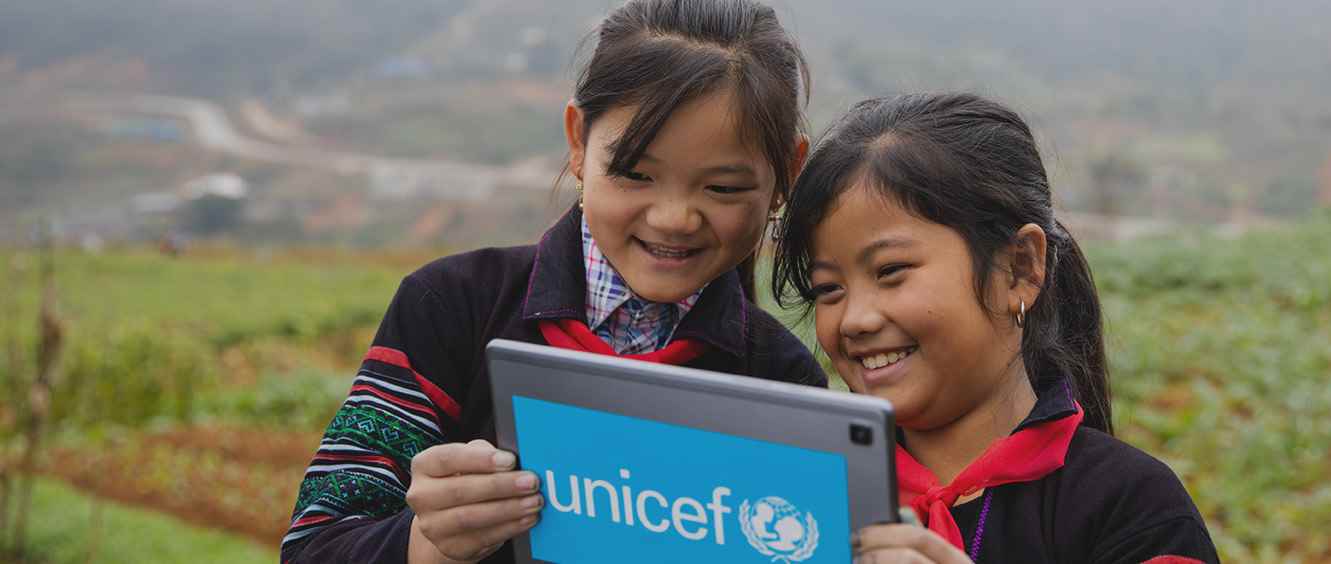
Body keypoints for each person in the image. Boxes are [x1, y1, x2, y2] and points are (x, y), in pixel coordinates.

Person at [280, 1, 822, 562]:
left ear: (787, 174)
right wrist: (427, 543)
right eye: (636, 173)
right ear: (579, 141)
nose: (673, 218)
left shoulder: (783, 383)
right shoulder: (451, 308)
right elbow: (314, 546)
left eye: (723, 188)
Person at [772, 92, 1220, 564]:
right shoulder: (801, 498)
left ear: (1019, 269)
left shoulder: (1133, 508)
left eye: (891, 271)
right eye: (828, 289)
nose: (856, 319)